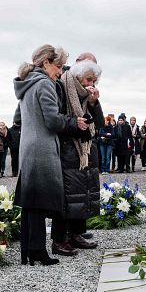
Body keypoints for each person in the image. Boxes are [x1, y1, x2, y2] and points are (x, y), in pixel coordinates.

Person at [14, 44, 87, 266]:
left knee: (30, 202)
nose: (60, 71)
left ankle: (28, 250)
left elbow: (18, 119)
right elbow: (53, 120)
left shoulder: (26, 84)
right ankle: (38, 251)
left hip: (28, 147)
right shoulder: (45, 83)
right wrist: (75, 122)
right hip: (42, 149)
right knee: (38, 201)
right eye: (58, 66)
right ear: (46, 63)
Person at [50, 58, 103, 256]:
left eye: (94, 81)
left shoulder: (85, 94)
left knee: (82, 194)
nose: (91, 84)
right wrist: (75, 123)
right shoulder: (62, 86)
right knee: (66, 195)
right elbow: (54, 117)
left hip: (85, 148)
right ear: (79, 75)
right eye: (89, 79)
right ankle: (59, 239)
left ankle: (76, 233)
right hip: (67, 148)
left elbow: (98, 122)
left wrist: (93, 102)